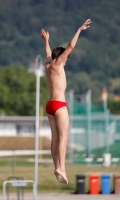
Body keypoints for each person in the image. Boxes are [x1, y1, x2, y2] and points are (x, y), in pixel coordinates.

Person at [40, 19, 91, 185]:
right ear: (61, 57)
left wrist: (46, 40)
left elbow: (47, 54)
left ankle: (56, 166)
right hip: (59, 105)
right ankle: (61, 167)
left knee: (55, 138)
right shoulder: (59, 64)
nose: (66, 60)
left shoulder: (48, 66)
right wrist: (79, 29)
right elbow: (70, 46)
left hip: (49, 105)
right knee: (64, 137)